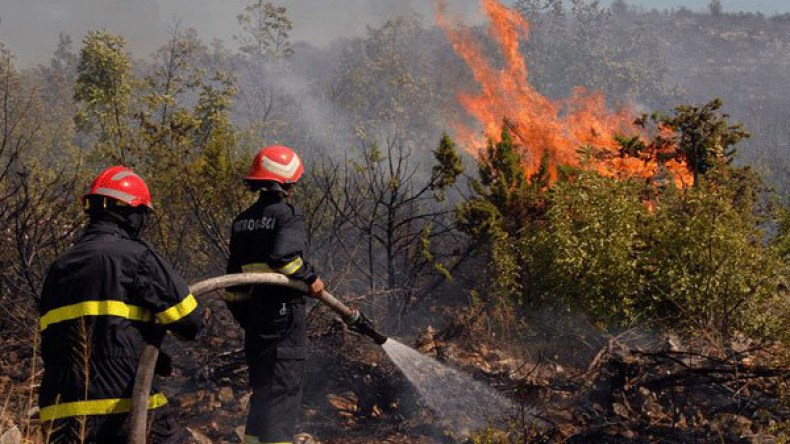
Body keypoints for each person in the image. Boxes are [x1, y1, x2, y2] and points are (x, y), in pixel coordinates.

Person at [38, 166, 203, 443]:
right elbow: (190, 323)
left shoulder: (58, 268)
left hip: (61, 416)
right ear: (130, 212)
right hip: (123, 408)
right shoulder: (135, 256)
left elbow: (74, 335)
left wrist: (146, 350)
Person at [225, 145, 325, 444]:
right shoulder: (287, 215)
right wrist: (311, 278)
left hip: (256, 320)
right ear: (288, 181)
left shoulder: (242, 221)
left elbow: (233, 286)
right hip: (283, 315)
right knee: (283, 394)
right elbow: (285, 258)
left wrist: (251, 320)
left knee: (263, 394)